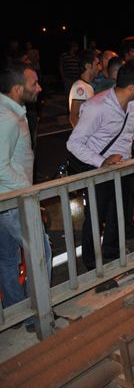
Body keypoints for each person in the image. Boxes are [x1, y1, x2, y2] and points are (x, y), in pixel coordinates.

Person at [66, 60, 134, 270]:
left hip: (122, 166)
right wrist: (102, 161)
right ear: (132, 87)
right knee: (95, 216)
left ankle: (111, 251)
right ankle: (91, 261)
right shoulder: (96, 107)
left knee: (118, 212)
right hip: (96, 168)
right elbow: (74, 143)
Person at [0, 62, 52, 330]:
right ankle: (36, 314)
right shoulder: (7, 119)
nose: (40, 88)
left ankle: (17, 313)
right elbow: (0, 166)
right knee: (40, 254)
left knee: (8, 260)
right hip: (13, 201)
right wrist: (29, 192)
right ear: (18, 88)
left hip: (6, 202)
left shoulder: (9, 113)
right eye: (34, 84)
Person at [68, 49, 100, 127]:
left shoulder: (87, 86)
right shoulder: (80, 87)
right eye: (97, 64)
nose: (100, 68)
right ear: (88, 66)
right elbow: (73, 117)